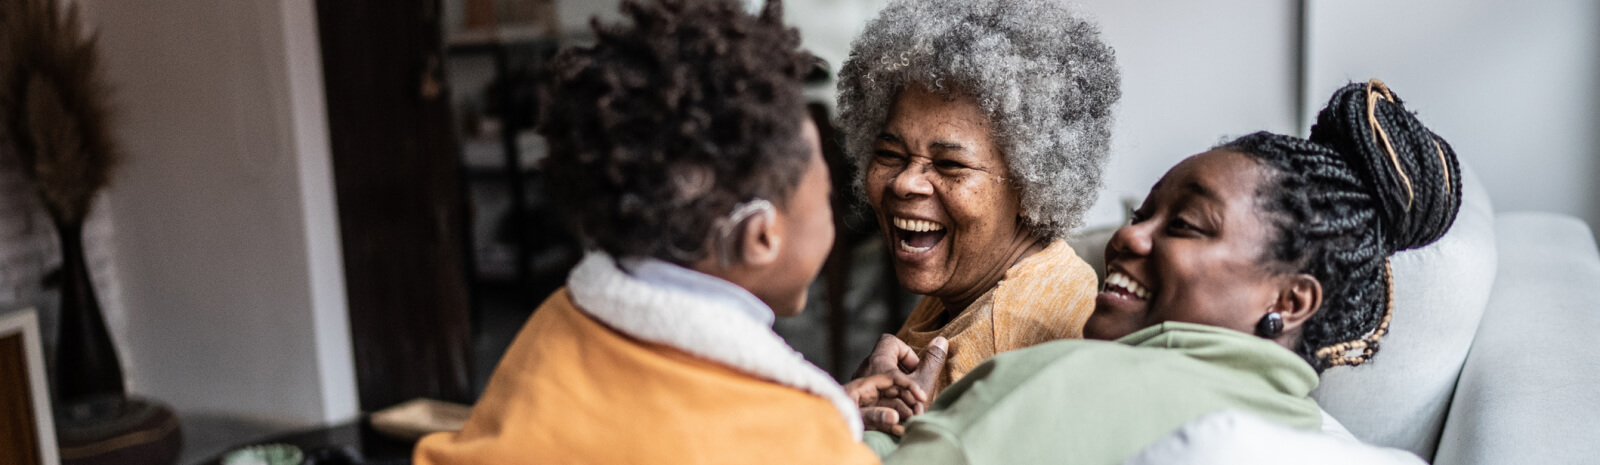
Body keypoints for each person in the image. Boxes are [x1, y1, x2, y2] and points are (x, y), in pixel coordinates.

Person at [412, 0, 920, 462]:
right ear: (761, 237)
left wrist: (829, 410)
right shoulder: (800, 443)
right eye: (825, 194)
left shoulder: (555, 323)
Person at [868, 80, 1461, 464]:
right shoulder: (1301, 430)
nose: (1128, 236)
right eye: (1143, 213)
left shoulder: (1079, 380)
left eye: (1185, 225)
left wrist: (870, 422)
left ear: (1294, 299)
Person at [835, 0, 1121, 403]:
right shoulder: (989, 278)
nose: (905, 183)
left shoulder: (997, 342)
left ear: (1030, 182)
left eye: (949, 163)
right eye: (890, 154)